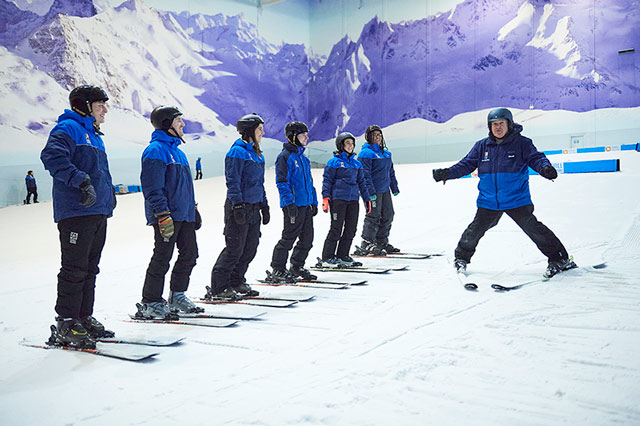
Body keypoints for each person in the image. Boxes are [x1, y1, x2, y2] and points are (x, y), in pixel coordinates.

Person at [432, 107, 576, 278]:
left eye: (501, 123)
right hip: (489, 201)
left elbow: (536, 158)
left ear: (509, 124)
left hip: (516, 199)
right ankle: (461, 258)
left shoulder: (522, 143)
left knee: (534, 229)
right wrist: (447, 173)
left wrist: (545, 168)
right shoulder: (482, 146)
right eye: (494, 124)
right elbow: (466, 164)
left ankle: (559, 259)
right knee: (474, 230)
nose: (497, 127)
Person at [40, 85, 116, 349]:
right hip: (76, 211)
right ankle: (66, 322)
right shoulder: (68, 128)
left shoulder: (94, 134)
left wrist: (109, 197)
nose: (105, 110)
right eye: (100, 105)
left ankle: (83, 317)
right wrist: (80, 182)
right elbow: (51, 156)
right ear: (83, 106)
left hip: (96, 211)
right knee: (74, 268)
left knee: (90, 269)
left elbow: (100, 172)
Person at [137, 106, 203, 319]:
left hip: (184, 214)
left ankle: (177, 295)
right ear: (167, 124)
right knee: (162, 257)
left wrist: (193, 209)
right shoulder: (155, 150)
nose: (183, 124)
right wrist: (162, 214)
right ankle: (151, 301)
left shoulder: (179, 153)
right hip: (167, 215)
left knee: (190, 253)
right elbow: (152, 188)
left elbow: (185, 187)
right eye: (178, 121)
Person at [205, 114, 269, 301]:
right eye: (259, 129)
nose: (262, 132)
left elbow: (259, 183)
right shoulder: (237, 152)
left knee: (250, 247)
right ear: (249, 131)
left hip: (254, 206)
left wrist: (264, 205)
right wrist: (238, 204)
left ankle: (236, 280)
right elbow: (232, 181)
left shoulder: (257, 154)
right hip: (238, 206)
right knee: (234, 248)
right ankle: (219, 286)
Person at [267, 121, 319, 282]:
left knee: (307, 239)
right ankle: (278, 268)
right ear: (293, 137)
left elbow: (309, 182)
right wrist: (289, 203)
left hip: (306, 204)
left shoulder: (303, 159)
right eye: (303, 134)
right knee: (288, 238)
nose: (306, 137)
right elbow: (282, 182)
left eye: (306, 134)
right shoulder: (285, 157)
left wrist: (314, 201)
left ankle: (297, 266)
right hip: (293, 205)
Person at [318, 132, 372, 267]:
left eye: (352, 143)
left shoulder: (356, 163)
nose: (350, 146)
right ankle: (327, 257)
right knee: (336, 229)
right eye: (347, 143)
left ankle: (343, 255)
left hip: (353, 200)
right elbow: (327, 181)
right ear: (341, 145)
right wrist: (325, 198)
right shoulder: (334, 162)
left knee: (351, 229)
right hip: (338, 200)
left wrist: (367, 199)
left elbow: (362, 183)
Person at [356, 125, 400, 255]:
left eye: (379, 135)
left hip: (385, 190)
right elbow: (364, 175)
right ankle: (367, 242)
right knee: (373, 215)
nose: (378, 137)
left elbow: (390, 172)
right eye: (374, 135)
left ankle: (381, 241)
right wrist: (370, 192)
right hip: (373, 192)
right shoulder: (365, 154)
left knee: (388, 214)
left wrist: (394, 187)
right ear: (368, 137)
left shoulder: (385, 153)